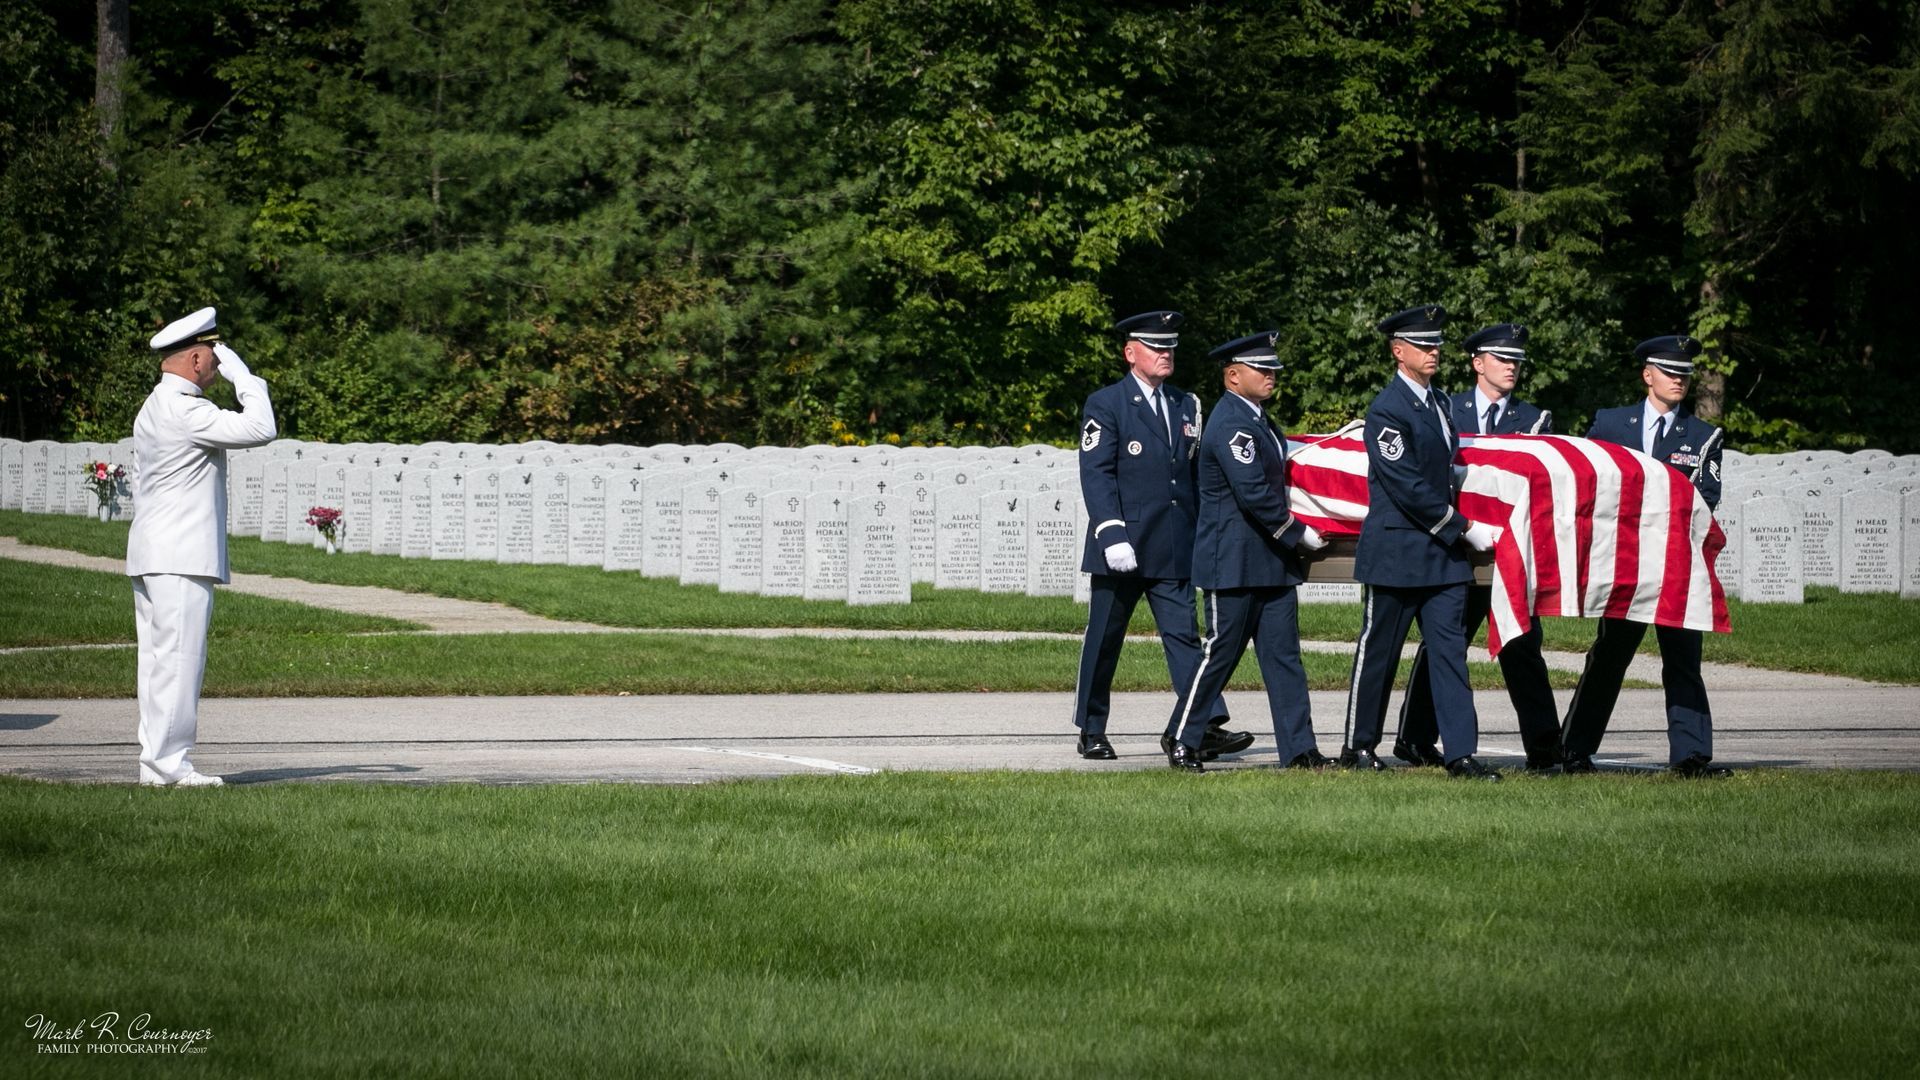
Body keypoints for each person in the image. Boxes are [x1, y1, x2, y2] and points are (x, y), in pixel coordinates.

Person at [1073, 310, 1249, 761]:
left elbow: (1191, 476)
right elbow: (1097, 474)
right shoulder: (1106, 403)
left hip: (1172, 543)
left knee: (1186, 639)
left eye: (1170, 346)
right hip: (1123, 546)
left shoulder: (1185, 404)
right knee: (1105, 639)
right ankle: (1092, 728)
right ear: (1131, 353)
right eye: (1155, 346)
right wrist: (1111, 533)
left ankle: (1201, 724)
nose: (1165, 353)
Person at [1340, 304, 1502, 780]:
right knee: (1379, 654)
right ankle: (1359, 744)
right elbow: (1405, 485)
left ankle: (1459, 753)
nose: (1434, 352)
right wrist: (1464, 527)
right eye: (1423, 345)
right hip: (1397, 552)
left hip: (1440, 559)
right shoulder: (1387, 409)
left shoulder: (1442, 403)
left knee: (1449, 655)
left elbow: (1439, 470)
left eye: (1436, 344)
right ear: (1398, 351)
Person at [1393, 323, 1563, 772]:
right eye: (1503, 359)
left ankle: (1545, 749)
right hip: (1457, 546)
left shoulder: (1535, 419)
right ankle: (1413, 738)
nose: (1512, 367)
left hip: (1509, 553)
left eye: (1517, 362)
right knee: (1443, 644)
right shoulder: (1447, 409)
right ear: (1477, 363)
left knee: (1522, 645)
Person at [1560, 335, 1729, 778]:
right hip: (1626, 563)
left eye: (1685, 374)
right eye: (1670, 372)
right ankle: (1574, 749)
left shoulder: (1702, 434)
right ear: (1647, 375)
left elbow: (1706, 497)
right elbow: (1587, 480)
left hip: (1676, 565)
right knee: (1610, 656)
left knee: (1683, 660)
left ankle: (1691, 757)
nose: (1679, 381)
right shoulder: (1611, 424)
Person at [1163, 332, 1331, 771]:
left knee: (1284, 660)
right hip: (1233, 562)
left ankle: (1299, 749)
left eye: (1273, 369)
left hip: (1269, 562)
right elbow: (1253, 492)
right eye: (1262, 369)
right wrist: (1299, 534)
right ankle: (1182, 738)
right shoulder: (1231, 422)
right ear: (1234, 376)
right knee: (1220, 655)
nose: (1271, 376)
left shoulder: (1259, 420)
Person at [126, 307, 277, 787]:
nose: (216, 366)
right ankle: (171, 767)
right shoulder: (187, 409)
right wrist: (245, 376)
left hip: (154, 553)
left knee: (157, 666)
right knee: (179, 663)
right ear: (195, 359)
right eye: (213, 357)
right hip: (180, 555)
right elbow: (261, 428)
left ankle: (156, 764)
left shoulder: (155, 404)